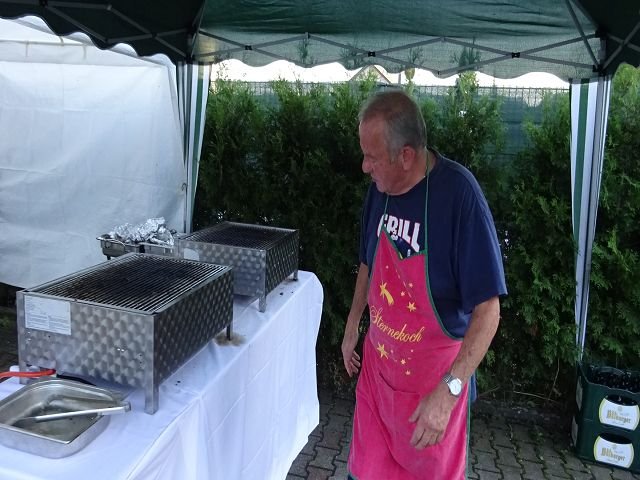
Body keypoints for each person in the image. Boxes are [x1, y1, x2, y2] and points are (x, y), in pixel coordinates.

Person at [341, 89, 507, 480]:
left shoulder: (459, 196)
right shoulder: (379, 192)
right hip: (378, 381)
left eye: (372, 157)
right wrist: (352, 324)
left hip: (431, 392)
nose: (364, 167)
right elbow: (368, 261)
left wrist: (449, 392)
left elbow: (489, 311)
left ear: (406, 155)